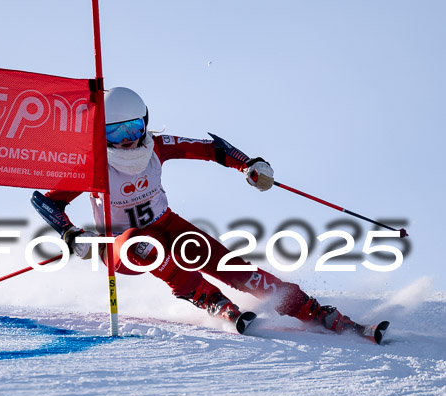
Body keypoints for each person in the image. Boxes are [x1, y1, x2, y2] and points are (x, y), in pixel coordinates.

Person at [31, 87, 387, 343]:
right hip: (120, 245)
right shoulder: (92, 165)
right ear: (101, 133)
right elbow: (45, 202)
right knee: (146, 246)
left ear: (145, 124)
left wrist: (249, 165)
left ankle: (317, 312)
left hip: (166, 223)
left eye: (134, 129)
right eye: (116, 132)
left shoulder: (156, 147)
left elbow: (210, 148)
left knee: (232, 266)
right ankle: (212, 301)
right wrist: (72, 234)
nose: (127, 141)